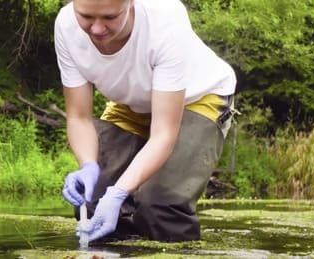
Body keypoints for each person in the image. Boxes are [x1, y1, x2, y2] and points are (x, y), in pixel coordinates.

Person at [55, 0, 236, 242]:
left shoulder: (165, 18)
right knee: (93, 202)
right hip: (132, 104)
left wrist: (119, 191)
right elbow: (79, 117)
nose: (97, 29)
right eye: (86, 17)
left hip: (197, 97)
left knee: (160, 206)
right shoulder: (66, 25)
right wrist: (88, 165)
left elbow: (163, 133)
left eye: (110, 17)